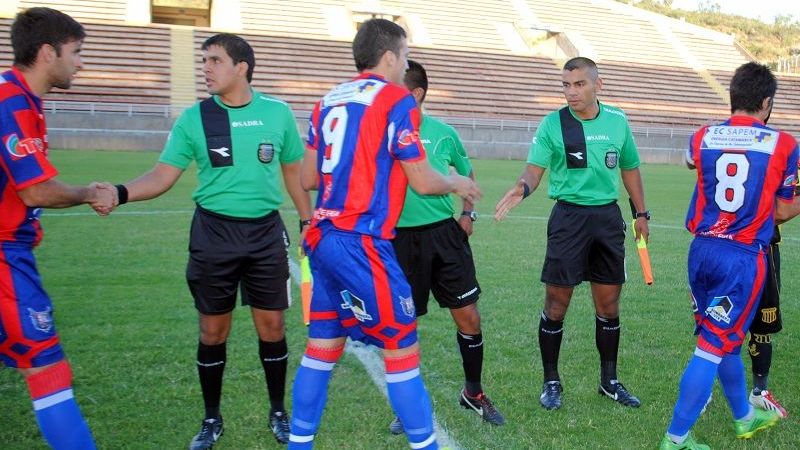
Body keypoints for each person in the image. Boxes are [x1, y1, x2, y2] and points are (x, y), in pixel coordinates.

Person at [104, 33, 312, 449]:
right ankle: (212, 418)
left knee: (272, 327)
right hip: (213, 235)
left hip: (265, 233)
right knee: (213, 331)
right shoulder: (194, 118)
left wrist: (308, 219)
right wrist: (120, 191)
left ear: (242, 67)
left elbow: (294, 171)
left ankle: (277, 411)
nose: (206, 68)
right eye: (204, 61)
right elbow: (164, 175)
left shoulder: (278, 113)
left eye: (215, 60)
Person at [288, 18, 481, 450]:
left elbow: (306, 177)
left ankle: (298, 443)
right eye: (406, 56)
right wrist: (457, 182)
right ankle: (425, 444)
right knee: (401, 350)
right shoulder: (396, 101)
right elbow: (423, 181)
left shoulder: (328, 100)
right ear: (390, 57)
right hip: (362, 243)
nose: (406, 65)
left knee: (321, 348)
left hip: (322, 239)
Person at [659, 62, 800, 450]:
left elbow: (692, 161)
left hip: (701, 251)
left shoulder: (702, 136)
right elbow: (784, 211)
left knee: (725, 340)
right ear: (767, 102)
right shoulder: (784, 144)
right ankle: (676, 438)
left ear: (733, 97)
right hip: (741, 258)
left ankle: (743, 417)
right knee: (710, 345)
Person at [494, 56, 648, 411]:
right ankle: (551, 381)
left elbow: (630, 168)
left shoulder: (618, 121)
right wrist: (522, 187)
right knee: (556, 304)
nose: (571, 92)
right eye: (565, 85)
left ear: (597, 85)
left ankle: (609, 382)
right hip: (568, 219)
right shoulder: (553, 124)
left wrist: (641, 213)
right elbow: (534, 171)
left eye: (579, 84)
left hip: (608, 220)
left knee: (609, 306)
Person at [1, 7, 115, 449]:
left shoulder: (24, 99)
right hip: (3, 254)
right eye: (76, 52)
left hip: (11, 250)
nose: (80, 62)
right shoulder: (10, 101)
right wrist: (89, 191)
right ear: (48, 52)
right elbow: (36, 192)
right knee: (46, 365)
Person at [386, 59, 503, 436]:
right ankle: (407, 408)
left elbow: (466, 171)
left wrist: (468, 214)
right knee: (403, 324)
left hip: (443, 236)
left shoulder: (442, 132)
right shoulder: (383, 131)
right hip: (398, 239)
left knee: (468, 316)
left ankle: (473, 392)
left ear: (416, 93)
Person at [746, 225, 787, 418]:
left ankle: (759, 392)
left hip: (764, 250)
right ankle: (703, 392)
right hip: (728, 245)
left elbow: (783, 206)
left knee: (763, 324)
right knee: (720, 323)